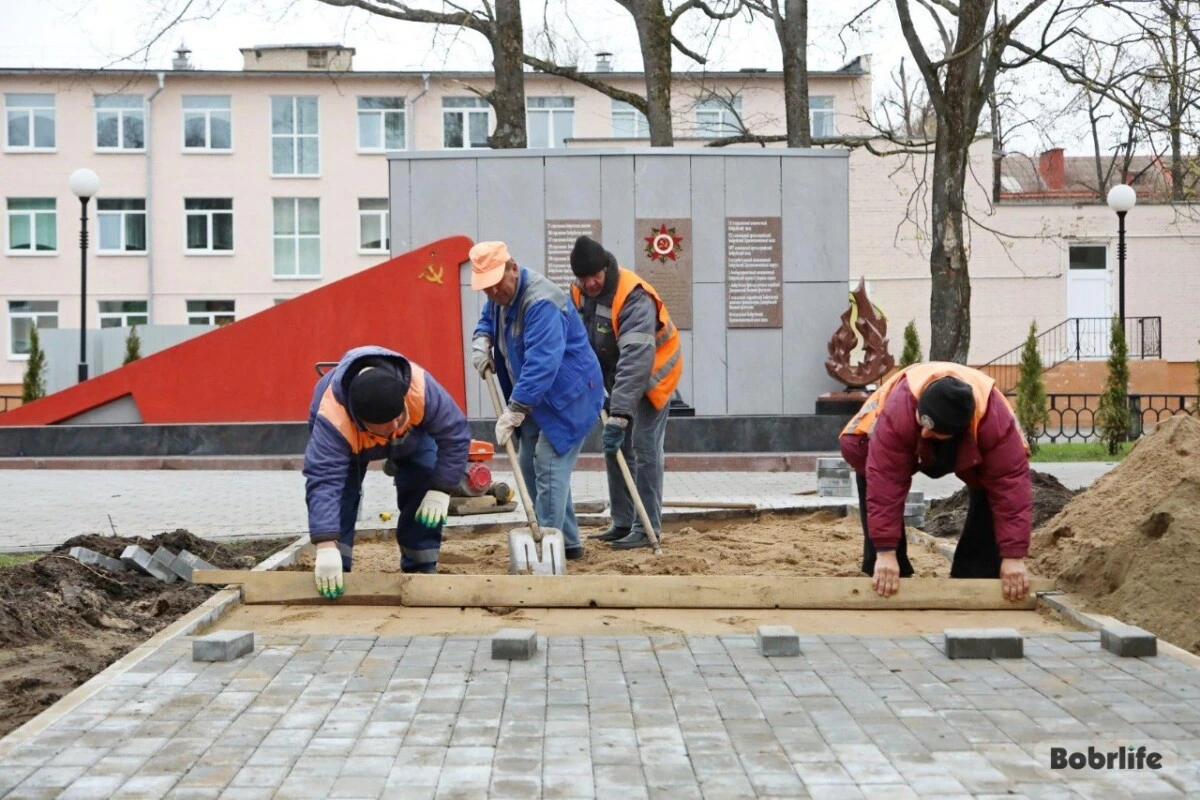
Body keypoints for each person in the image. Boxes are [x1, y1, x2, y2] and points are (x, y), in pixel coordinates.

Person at [839, 362, 1032, 601]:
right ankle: (887, 566)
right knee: (867, 460)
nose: (924, 434)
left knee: (990, 487)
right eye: (923, 423)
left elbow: (1011, 490)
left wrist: (1013, 557)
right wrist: (885, 551)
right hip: (883, 435)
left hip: (973, 436)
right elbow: (885, 482)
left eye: (933, 431)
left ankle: (974, 571)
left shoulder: (993, 422)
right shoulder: (901, 408)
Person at [469, 241, 605, 560]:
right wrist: (481, 341)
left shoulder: (541, 301)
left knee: (548, 464)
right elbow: (488, 319)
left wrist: (514, 410)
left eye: (496, 286)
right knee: (531, 463)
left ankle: (545, 548)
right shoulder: (499, 294)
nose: (492, 295)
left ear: (513, 269)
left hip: (571, 396)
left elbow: (542, 362)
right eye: (485, 289)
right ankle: (568, 543)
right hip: (537, 397)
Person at [303, 345, 471, 598]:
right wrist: (325, 546)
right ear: (360, 421)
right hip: (351, 447)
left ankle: (421, 565)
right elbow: (324, 481)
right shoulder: (333, 418)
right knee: (343, 495)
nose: (393, 429)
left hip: (412, 438)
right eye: (384, 429)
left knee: (423, 476)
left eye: (397, 421)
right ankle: (339, 570)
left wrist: (441, 488)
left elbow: (455, 435)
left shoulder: (419, 388)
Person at [568, 235, 682, 549]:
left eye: (595, 276)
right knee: (614, 448)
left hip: (653, 374)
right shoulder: (578, 293)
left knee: (644, 447)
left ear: (606, 268)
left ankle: (647, 529)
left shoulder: (633, 296)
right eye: (583, 278)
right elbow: (579, 342)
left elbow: (636, 360)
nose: (589, 283)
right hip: (617, 378)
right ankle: (623, 522)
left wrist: (619, 415)